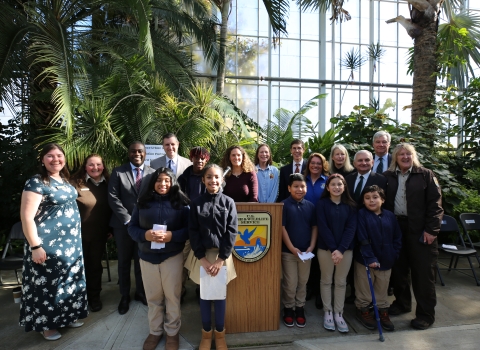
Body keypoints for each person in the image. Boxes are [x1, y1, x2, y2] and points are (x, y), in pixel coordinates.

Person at [19, 143, 87, 341]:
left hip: (71, 245)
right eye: (50, 156)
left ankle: (68, 315)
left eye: (59, 155)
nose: (56, 159)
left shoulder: (64, 180)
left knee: (68, 282)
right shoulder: (36, 182)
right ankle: (47, 326)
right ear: (42, 159)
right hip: (47, 245)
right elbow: (27, 217)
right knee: (48, 286)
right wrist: (35, 246)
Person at [128, 168, 190, 350]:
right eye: (159, 181)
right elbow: (132, 228)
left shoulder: (182, 204)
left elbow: (189, 230)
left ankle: (172, 332)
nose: (163, 184)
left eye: (167, 181)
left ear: (173, 183)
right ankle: (155, 331)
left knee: (172, 296)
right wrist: (145, 234)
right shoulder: (142, 203)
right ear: (152, 183)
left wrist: (172, 236)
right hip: (147, 257)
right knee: (153, 297)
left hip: (172, 256)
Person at [383, 143, 443, 330]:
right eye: (401, 154)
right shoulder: (388, 177)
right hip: (396, 228)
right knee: (399, 271)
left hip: (420, 230)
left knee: (423, 274)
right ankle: (402, 303)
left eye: (408, 154)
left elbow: (436, 205)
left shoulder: (425, 175)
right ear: (395, 157)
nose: (405, 157)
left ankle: (425, 314)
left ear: (413, 156)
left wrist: (432, 230)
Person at [185, 164, 238, 350]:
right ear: (203, 180)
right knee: (205, 296)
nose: (213, 180)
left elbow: (232, 232)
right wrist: (203, 258)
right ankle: (206, 334)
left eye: (216, 177)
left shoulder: (229, 202)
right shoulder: (196, 203)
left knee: (220, 295)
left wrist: (221, 259)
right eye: (209, 177)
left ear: (222, 179)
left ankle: (220, 334)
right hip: (203, 256)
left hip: (222, 257)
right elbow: (193, 231)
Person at [108, 141, 156, 315]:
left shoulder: (152, 173)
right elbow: (113, 198)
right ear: (129, 153)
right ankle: (124, 296)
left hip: (143, 226)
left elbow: (155, 196)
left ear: (145, 153)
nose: (137, 154)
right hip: (123, 226)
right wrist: (128, 220)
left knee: (141, 260)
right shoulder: (118, 172)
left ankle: (140, 293)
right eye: (133, 151)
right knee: (123, 262)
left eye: (140, 151)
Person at [354, 185, 402, 332]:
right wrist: (370, 257)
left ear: (382, 199)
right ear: (363, 201)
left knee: (382, 287)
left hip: (386, 259)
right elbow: (362, 238)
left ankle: (382, 311)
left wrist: (394, 253)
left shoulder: (390, 216)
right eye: (367, 198)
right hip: (365, 260)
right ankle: (364, 310)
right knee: (364, 288)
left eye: (375, 197)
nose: (371, 201)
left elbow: (397, 237)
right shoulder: (361, 215)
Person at [344, 150, 388, 304]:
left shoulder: (381, 180)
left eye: (367, 160)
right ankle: (354, 293)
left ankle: (372, 299)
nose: (363, 163)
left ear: (372, 162)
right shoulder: (348, 179)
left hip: (371, 226)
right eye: (360, 160)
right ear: (355, 163)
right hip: (350, 225)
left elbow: (383, 202)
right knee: (352, 259)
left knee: (366, 258)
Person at [316, 174, 357, 333]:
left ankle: (339, 313)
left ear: (344, 186)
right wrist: (334, 249)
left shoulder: (351, 206)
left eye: (339, 184)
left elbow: (351, 229)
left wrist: (340, 249)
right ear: (328, 187)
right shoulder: (322, 204)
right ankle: (328, 312)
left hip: (345, 250)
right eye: (333, 184)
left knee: (341, 282)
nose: (336, 187)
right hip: (326, 250)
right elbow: (323, 227)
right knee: (326, 280)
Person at [71, 154, 112, 312]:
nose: (95, 168)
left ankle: (94, 298)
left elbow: (111, 208)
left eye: (99, 165)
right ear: (85, 166)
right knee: (77, 268)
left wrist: (110, 229)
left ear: (103, 166)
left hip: (99, 235)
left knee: (94, 267)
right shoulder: (75, 183)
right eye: (91, 165)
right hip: (76, 236)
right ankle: (77, 299)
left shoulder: (108, 183)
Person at [281, 174, 317, 328]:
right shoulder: (283, 205)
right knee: (290, 283)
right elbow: (281, 228)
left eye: (302, 186)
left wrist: (311, 246)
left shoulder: (310, 206)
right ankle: (289, 308)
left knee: (303, 282)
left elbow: (314, 227)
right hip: (288, 253)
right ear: (289, 188)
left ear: (306, 188)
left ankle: (300, 307)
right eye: (295, 186)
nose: (299, 189)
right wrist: (291, 248)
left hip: (306, 252)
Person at [303, 152, 328, 310]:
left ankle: (320, 292)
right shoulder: (302, 180)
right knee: (308, 256)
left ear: (323, 165)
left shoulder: (327, 180)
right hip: (304, 222)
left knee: (320, 259)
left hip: (323, 223)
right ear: (308, 164)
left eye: (319, 163)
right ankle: (309, 288)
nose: (315, 166)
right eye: (313, 163)